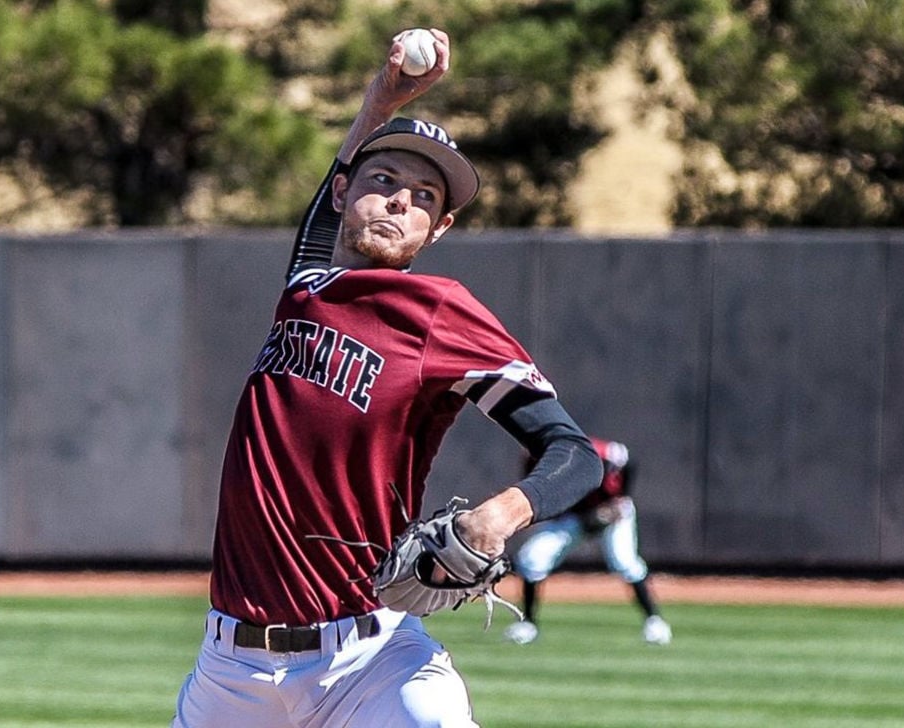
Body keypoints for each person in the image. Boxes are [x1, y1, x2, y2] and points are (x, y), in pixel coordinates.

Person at [171, 28, 602, 728]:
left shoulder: (439, 312)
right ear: (344, 194)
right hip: (230, 672)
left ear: (439, 229)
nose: (402, 200)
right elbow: (319, 216)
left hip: (368, 660)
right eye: (384, 181)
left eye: (425, 196)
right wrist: (383, 97)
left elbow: (573, 454)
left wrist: (499, 516)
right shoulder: (308, 284)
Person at [503, 437, 673, 646]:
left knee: (624, 562)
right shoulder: (532, 461)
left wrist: (622, 498)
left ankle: (654, 621)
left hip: (609, 511)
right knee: (532, 558)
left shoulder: (587, 451)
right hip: (572, 515)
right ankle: (528, 624)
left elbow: (626, 459)